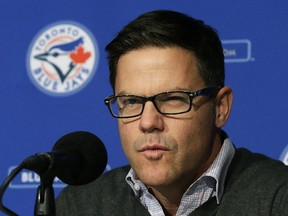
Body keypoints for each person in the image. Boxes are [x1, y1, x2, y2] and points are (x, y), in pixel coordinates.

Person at [55, 10, 288, 215]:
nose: (148, 122)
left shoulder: (278, 198)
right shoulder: (79, 205)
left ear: (220, 108)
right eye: (132, 101)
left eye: (173, 99)